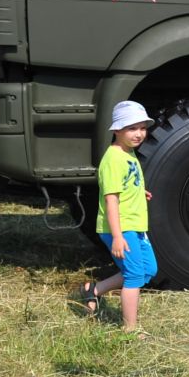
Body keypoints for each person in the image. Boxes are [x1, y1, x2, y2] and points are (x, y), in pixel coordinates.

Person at [77, 101, 156, 330]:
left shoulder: (129, 154)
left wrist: (138, 191)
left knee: (148, 270)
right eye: (132, 128)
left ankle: (94, 290)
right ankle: (129, 329)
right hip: (121, 227)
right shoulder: (113, 159)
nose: (139, 133)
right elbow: (111, 201)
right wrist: (118, 236)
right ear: (116, 131)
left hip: (135, 224)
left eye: (142, 127)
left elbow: (124, 184)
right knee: (133, 276)